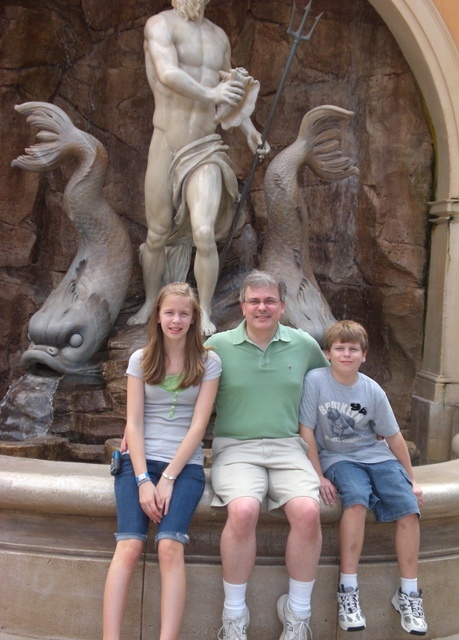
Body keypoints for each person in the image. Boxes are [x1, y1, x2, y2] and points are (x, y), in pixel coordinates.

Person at [128, 0, 268, 335]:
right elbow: (167, 73)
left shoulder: (219, 37)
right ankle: (151, 301)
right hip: (167, 143)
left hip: (206, 147)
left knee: (203, 233)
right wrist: (212, 92)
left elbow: (229, 92)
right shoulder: (160, 25)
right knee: (157, 235)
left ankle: (203, 310)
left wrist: (250, 131)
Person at [205, 270, 330, 640]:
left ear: (282, 306)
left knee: (308, 512)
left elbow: (330, 388)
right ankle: (233, 616)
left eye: (270, 301)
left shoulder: (303, 344)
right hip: (236, 448)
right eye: (254, 301)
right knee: (244, 510)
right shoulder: (217, 347)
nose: (262, 307)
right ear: (242, 306)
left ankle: (298, 614)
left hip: (289, 447)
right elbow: (182, 392)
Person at [103, 282, 221, 640]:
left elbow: (199, 426)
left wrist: (168, 477)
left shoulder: (209, 362)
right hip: (138, 463)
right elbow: (134, 423)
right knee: (129, 546)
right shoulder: (140, 359)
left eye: (184, 313)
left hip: (184, 469)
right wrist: (143, 480)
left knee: (169, 546)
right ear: (157, 316)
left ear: (194, 318)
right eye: (169, 312)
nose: (176, 320)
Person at [298, 320, 428, 635]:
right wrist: (319, 476)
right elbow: (306, 432)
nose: (346, 354)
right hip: (337, 458)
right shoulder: (315, 381)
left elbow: (394, 437)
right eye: (340, 348)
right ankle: (348, 590)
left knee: (409, 509)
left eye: (353, 349)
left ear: (364, 355)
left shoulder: (372, 390)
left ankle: (409, 593)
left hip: (376, 456)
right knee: (355, 501)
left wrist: (412, 480)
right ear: (327, 353)